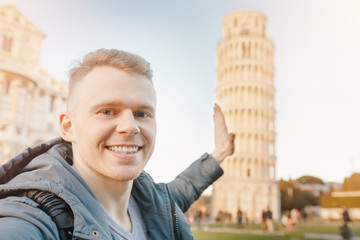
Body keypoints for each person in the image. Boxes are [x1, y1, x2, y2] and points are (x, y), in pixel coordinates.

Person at [0, 49, 235, 239]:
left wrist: (219, 154)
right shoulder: (34, 218)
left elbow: (179, 192)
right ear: (68, 127)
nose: (130, 126)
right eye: (108, 111)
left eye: (142, 113)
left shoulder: (151, 203)